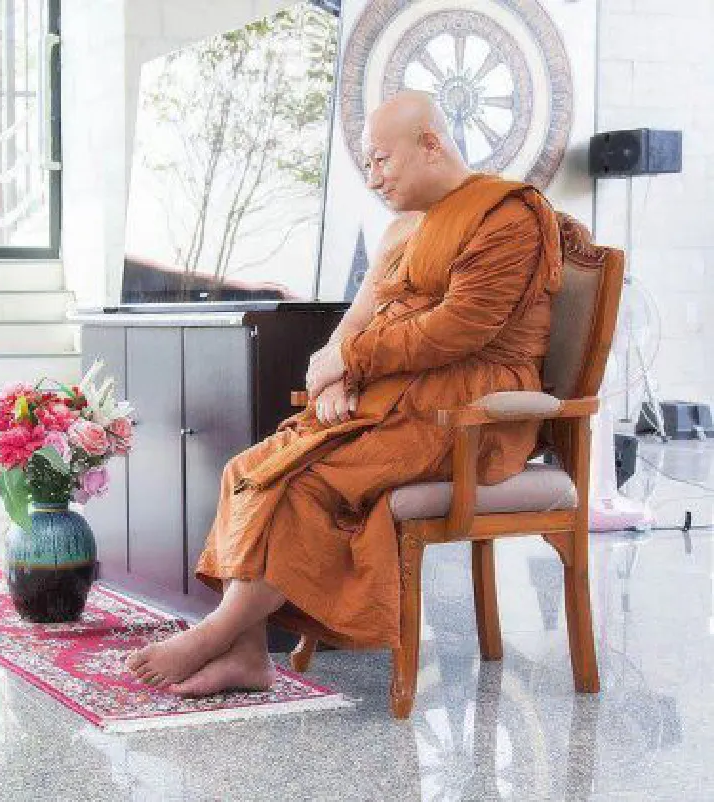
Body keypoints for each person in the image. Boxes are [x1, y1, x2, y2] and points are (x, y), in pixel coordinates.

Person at [126, 90, 563, 696]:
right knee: (247, 468)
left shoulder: (506, 218)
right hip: (399, 394)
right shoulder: (407, 226)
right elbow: (356, 324)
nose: (372, 176)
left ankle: (211, 634)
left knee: (304, 484)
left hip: (470, 412)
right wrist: (331, 370)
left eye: (382, 160)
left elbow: (457, 330)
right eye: (366, 163)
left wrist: (351, 366)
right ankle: (248, 655)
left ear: (431, 144)